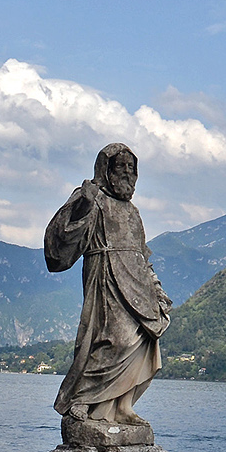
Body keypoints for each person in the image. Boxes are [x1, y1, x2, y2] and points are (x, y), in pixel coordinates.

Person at [43, 143, 172, 425]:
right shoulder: (91, 198)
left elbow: (142, 255)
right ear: (106, 169)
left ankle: (122, 405)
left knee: (141, 341)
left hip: (137, 286)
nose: (127, 172)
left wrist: (156, 289)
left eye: (131, 167)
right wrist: (84, 205)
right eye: (120, 166)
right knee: (112, 341)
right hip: (106, 280)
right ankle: (83, 399)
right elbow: (59, 245)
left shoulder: (133, 212)